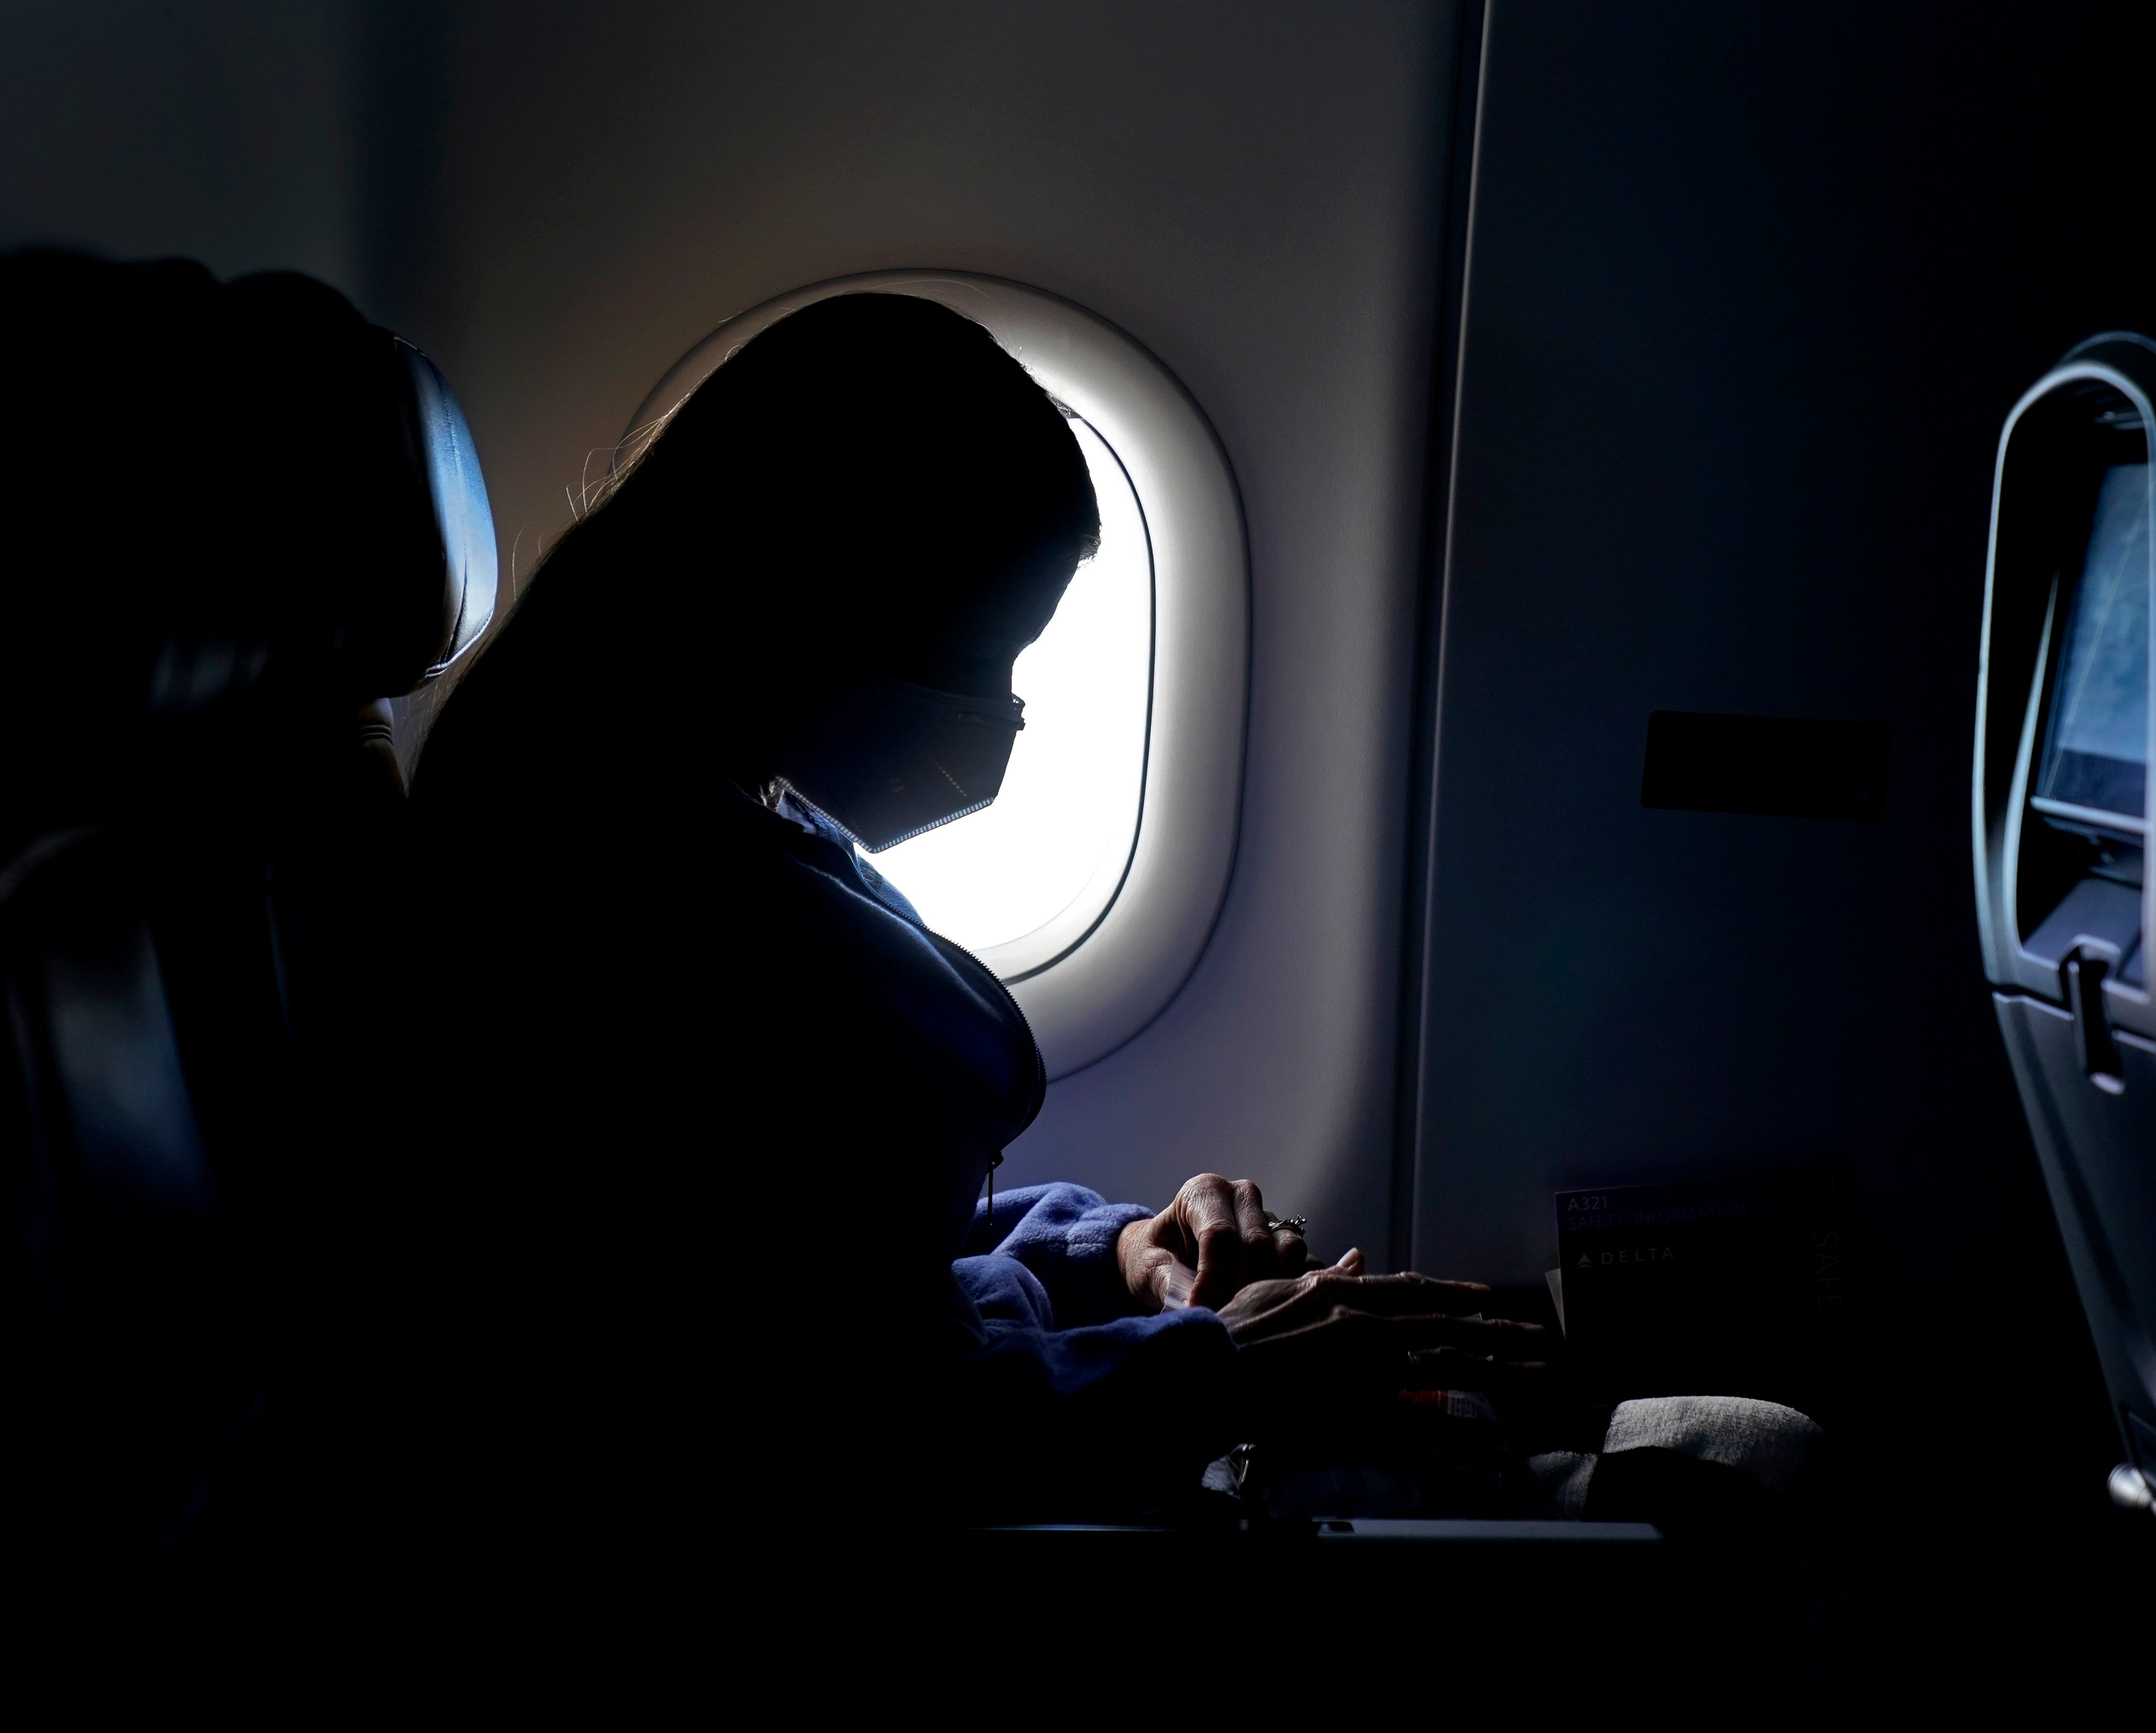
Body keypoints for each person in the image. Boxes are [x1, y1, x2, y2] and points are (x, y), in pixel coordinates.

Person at [403, 294, 1541, 1564]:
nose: (1002, 720)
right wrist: (1216, 1367)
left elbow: (847, 1277)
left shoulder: (694, 809)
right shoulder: (616, 904)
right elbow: (811, 1432)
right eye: (985, 659)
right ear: (820, 601)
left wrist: (1112, 1250)